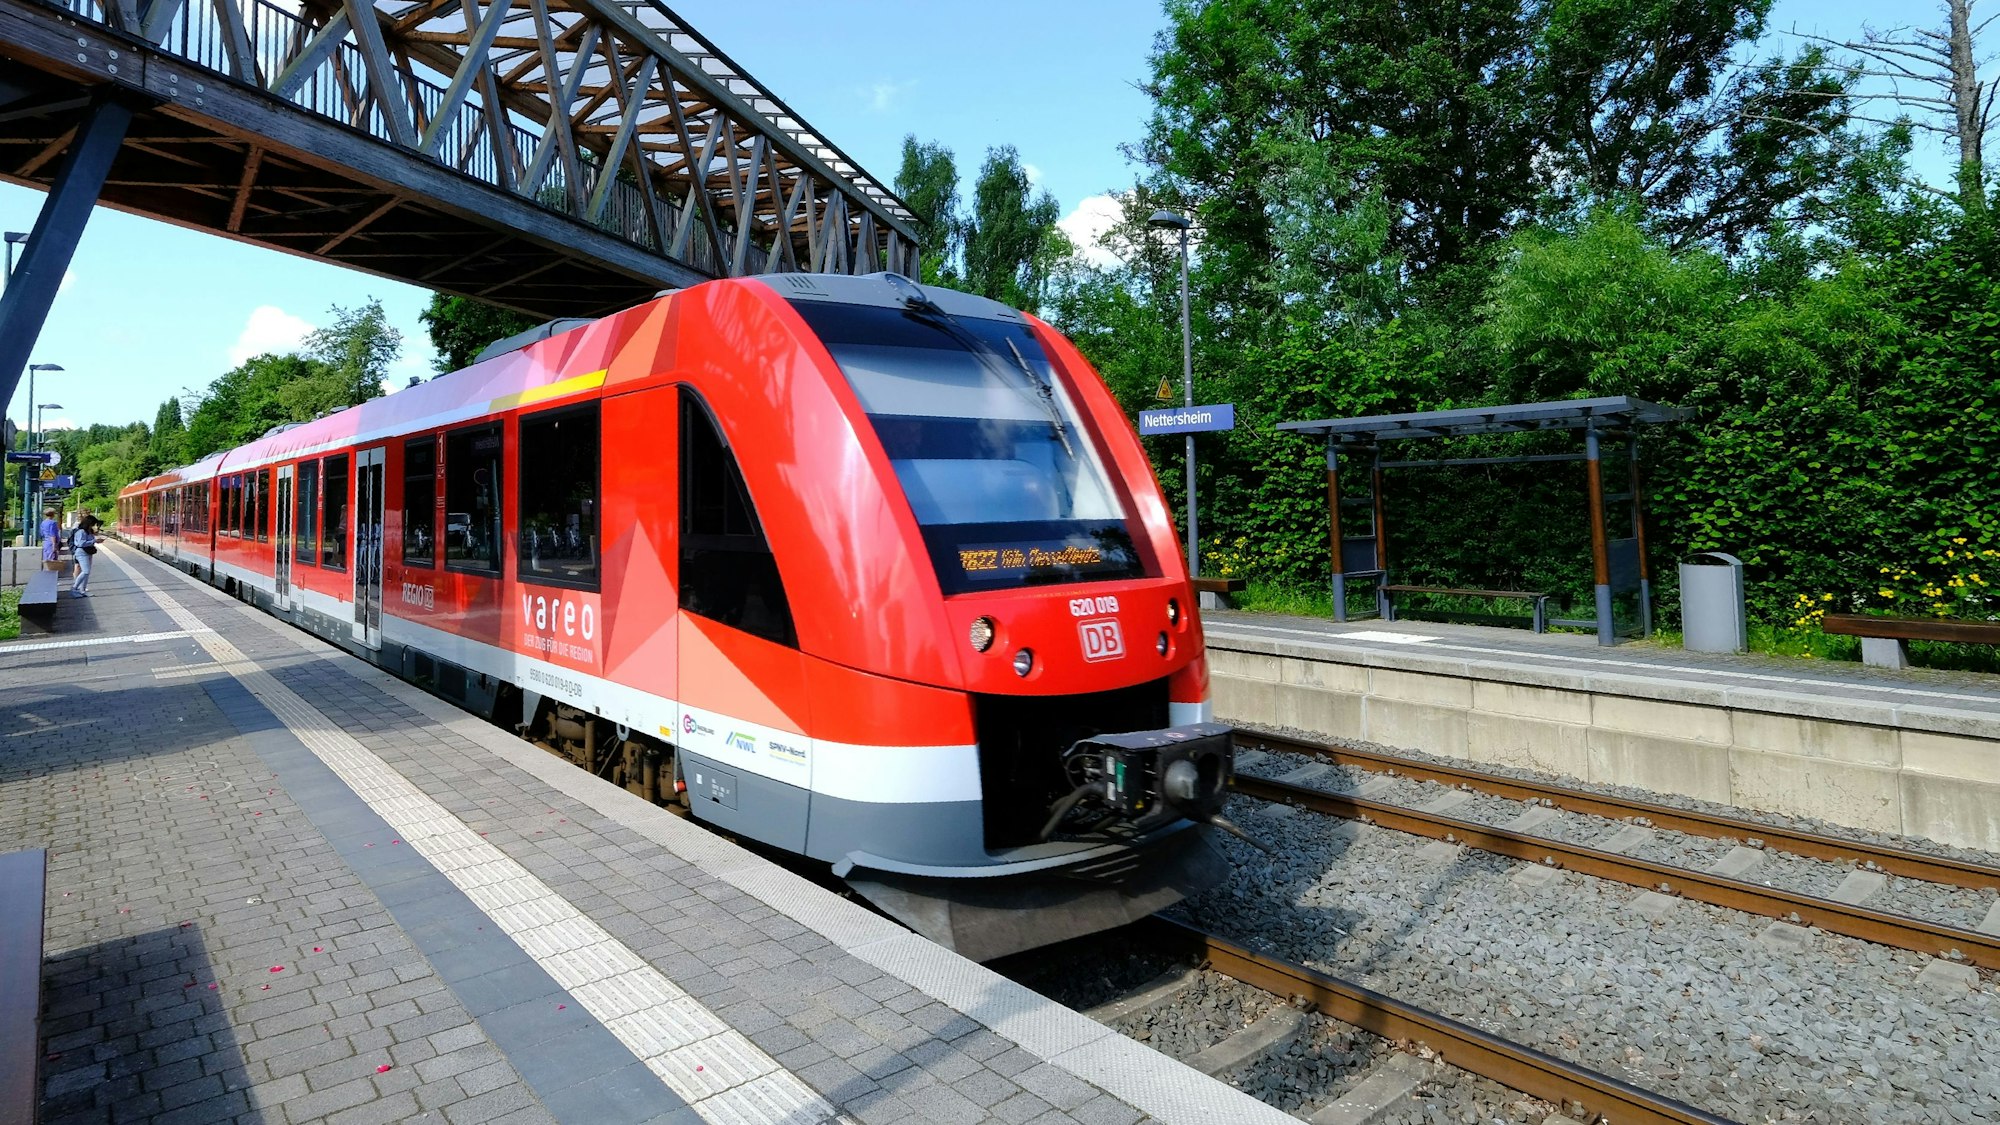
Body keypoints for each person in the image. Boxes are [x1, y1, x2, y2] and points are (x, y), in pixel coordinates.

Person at [69, 514, 99, 597]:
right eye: (92, 524)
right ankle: (74, 589)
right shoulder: (81, 531)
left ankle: (83, 590)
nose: (93, 526)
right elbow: (80, 543)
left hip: (88, 552)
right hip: (81, 553)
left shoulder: (88, 531)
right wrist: (93, 541)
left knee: (87, 572)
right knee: (86, 571)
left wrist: (95, 541)